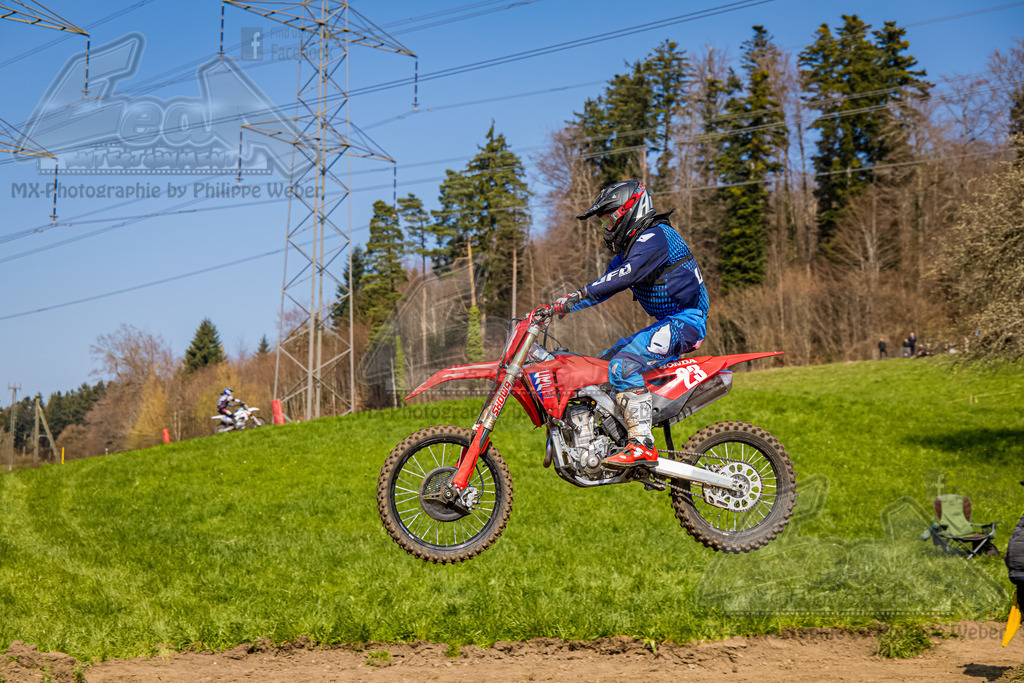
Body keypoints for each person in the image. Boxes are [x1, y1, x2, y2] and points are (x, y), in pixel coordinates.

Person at [552, 180, 709, 469]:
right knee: (598, 367)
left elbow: (625, 275)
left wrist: (579, 295)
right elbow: (605, 285)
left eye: (611, 218)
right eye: (605, 221)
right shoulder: (631, 251)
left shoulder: (655, 237)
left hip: (687, 322)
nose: (608, 227)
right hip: (669, 322)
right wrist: (558, 306)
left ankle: (642, 445)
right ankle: (609, 437)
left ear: (632, 210)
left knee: (622, 366)